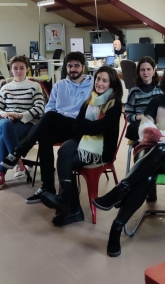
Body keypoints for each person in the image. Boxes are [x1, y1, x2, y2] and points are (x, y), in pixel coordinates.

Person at [93, 62, 165, 257]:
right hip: (153, 150)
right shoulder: (157, 101)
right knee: (148, 178)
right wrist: (162, 138)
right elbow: (144, 127)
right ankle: (116, 228)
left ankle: (121, 189)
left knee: (162, 152)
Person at [2, 51, 93, 204]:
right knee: (45, 135)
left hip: (79, 126)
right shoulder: (59, 85)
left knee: (49, 117)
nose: (73, 69)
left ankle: (19, 151)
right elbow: (49, 107)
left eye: (76, 65)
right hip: (60, 125)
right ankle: (47, 186)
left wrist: (55, 117)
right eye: (70, 66)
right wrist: (56, 118)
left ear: (83, 67)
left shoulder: (92, 84)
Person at [38, 66, 123, 226]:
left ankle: (72, 207)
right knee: (64, 150)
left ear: (111, 83)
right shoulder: (89, 101)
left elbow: (101, 127)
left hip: (102, 149)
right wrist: (90, 126)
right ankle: (67, 201)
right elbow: (77, 127)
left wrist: (88, 126)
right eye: (98, 79)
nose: (100, 83)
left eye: (105, 80)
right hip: (84, 141)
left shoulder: (114, 103)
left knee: (67, 159)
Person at [0, 55, 46, 191]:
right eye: (15, 68)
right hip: (4, 122)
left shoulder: (34, 86)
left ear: (27, 69)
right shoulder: (6, 87)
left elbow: (39, 108)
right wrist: (3, 114)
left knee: (4, 137)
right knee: (7, 125)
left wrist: (19, 115)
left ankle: (0, 174)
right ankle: (17, 160)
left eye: (22, 68)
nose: (18, 71)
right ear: (11, 69)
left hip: (25, 123)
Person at [124, 56, 164, 202]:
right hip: (140, 126)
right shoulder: (134, 91)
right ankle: (147, 184)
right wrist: (138, 117)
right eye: (142, 70)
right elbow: (128, 115)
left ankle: (146, 183)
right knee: (141, 135)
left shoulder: (161, 89)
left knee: (149, 144)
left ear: (154, 71)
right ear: (138, 72)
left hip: (157, 125)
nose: (145, 72)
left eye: (148, 69)